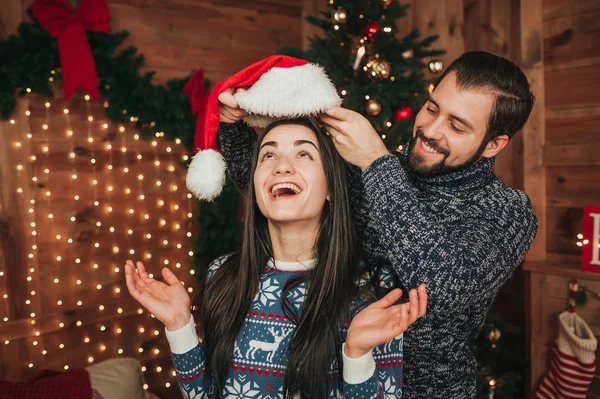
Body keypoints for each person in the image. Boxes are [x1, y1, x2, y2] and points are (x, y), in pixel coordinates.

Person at [216, 51, 539, 397]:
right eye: (432, 108)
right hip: (339, 382)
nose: (430, 130)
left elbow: (444, 289)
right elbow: (286, 188)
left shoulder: (507, 212)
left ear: (494, 144)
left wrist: (375, 162)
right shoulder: (380, 169)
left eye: (456, 126)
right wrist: (232, 127)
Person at [125, 118, 428, 398]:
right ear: (255, 186)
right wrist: (181, 326)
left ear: (331, 189)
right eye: (268, 155)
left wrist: (357, 354)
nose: (281, 167)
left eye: (304, 154)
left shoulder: (375, 288)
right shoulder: (222, 274)